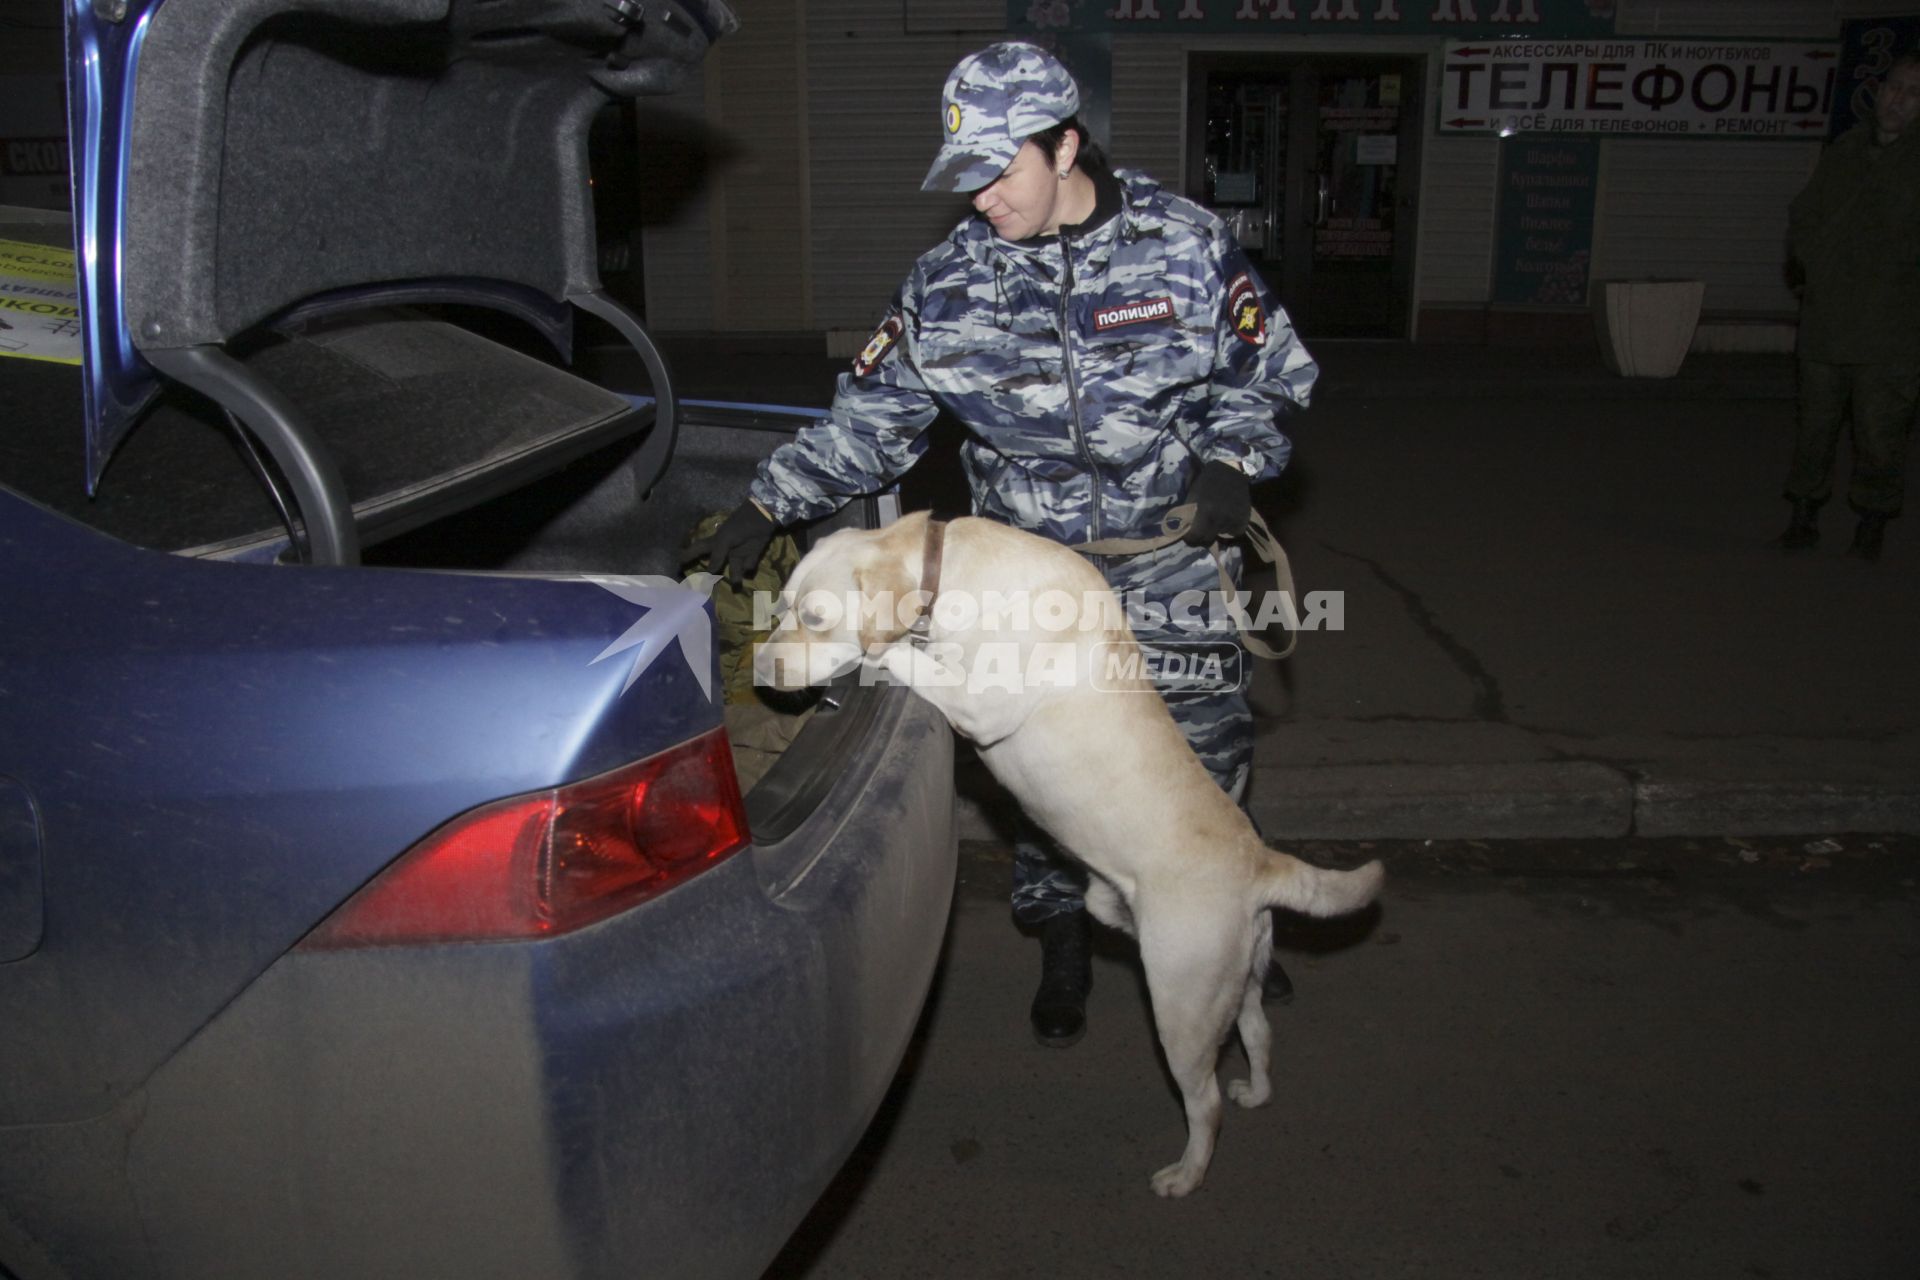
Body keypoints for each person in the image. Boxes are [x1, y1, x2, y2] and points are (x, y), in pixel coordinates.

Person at [695, 42, 1316, 1046]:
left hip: (1165, 561)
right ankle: (1061, 932)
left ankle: (1234, 921)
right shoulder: (947, 285)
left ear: (1065, 144)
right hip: (1021, 588)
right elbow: (872, 423)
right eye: (966, 177)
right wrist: (768, 504)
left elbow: (1269, 372)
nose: (982, 197)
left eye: (1000, 170)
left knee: (1204, 756)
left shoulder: (1185, 245)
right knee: (1043, 772)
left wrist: (1231, 460)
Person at [1776, 50, 1920, 562]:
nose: (1898, 100)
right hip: (1829, 320)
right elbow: (1806, 213)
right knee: (1815, 423)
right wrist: (1811, 260)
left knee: (1880, 432)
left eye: (1912, 93)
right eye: (1894, 87)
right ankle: (1804, 511)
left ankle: (1872, 519)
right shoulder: (1846, 149)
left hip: (1891, 330)